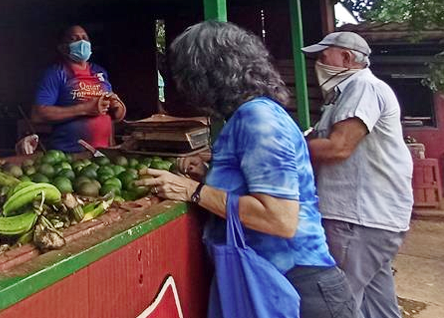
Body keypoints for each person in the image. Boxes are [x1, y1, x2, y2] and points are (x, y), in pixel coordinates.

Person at [137, 21, 354, 318]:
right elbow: (255, 185)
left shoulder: (258, 118)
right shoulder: (247, 116)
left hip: (297, 291)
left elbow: (279, 218)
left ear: (206, 75)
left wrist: (193, 191)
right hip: (275, 284)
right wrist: (212, 173)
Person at [302, 32, 413, 318]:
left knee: (333, 304)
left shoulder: (362, 87)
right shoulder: (344, 96)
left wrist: (286, 147)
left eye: (323, 57)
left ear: (347, 58)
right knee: (378, 307)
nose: (318, 63)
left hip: (358, 219)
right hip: (374, 220)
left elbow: (338, 148)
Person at [29, 25, 126, 153]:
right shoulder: (56, 73)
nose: (82, 42)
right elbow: (38, 115)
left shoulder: (99, 71)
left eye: (85, 38)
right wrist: (85, 109)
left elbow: (116, 114)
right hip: (68, 156)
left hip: (104, 154)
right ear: (62, 48)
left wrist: (117, 107)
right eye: (74, 39)